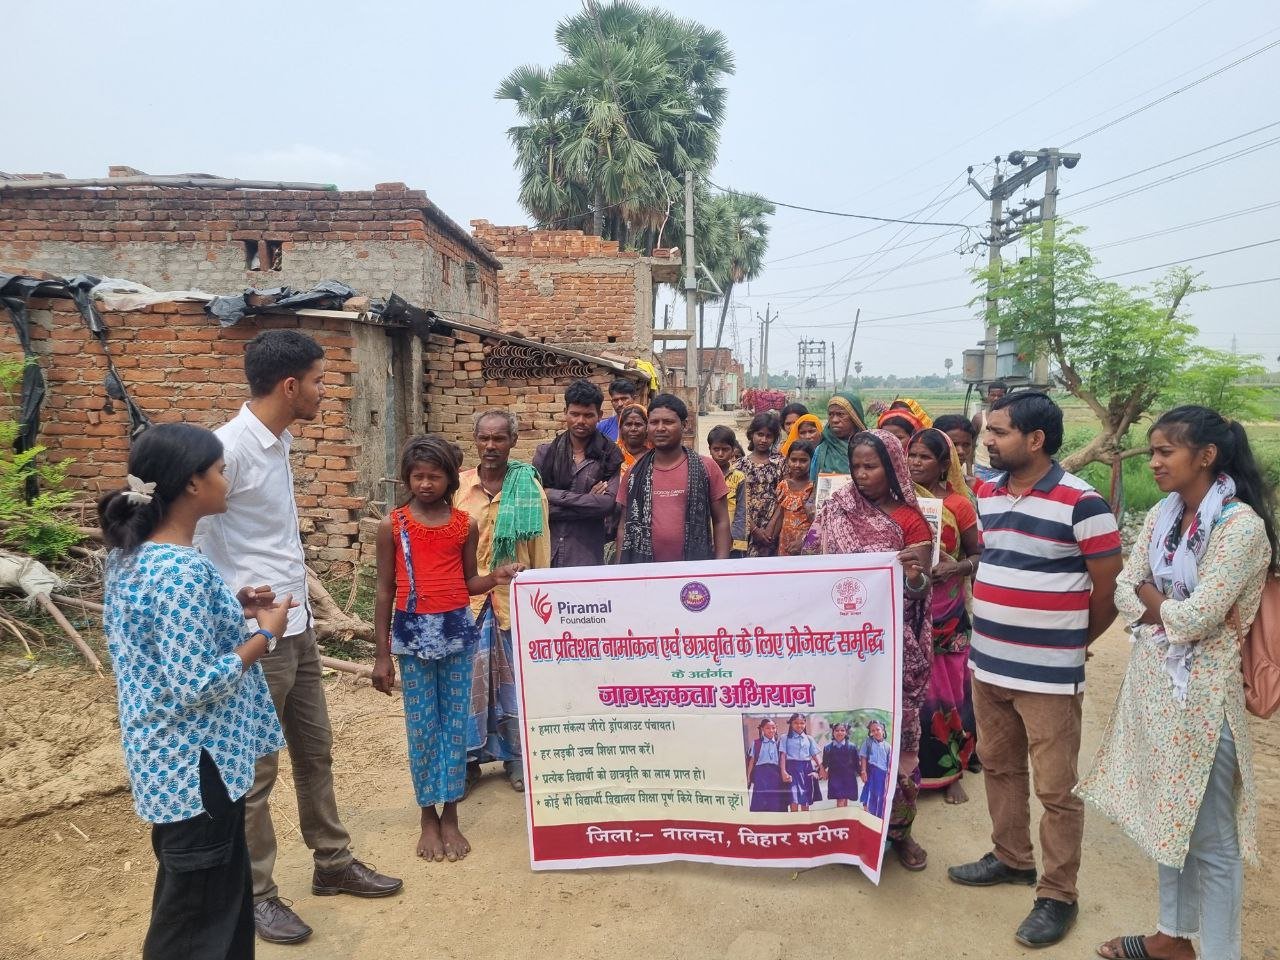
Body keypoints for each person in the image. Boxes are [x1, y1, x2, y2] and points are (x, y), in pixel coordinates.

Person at [194, 329, 401, 946]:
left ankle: (332, 862)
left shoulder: (278, 442)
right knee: (256, 772)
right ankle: (255, 895)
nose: (323, 390)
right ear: (290, 386)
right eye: (317, 380)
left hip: (298, 627)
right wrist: (233, 612)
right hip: (257, 635)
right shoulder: (225, 450)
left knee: (315, 751)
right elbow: (193, 541)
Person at [1078, 406, 1277, 960]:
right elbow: (1123, 585)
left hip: (1204, 700)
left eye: (1166, 451)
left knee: (1212, 841)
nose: (1155, 461)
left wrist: (1154, 606)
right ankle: (1171, 936)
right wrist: (1161, 607)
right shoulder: (1167, 513)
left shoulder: (1240, 528)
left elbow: (1197, 619)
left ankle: (1220, 952)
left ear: (1206, 456)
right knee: (1166, 814)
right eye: (1153, 450)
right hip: (1155, 688)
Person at [102, 423, 292, 960]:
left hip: (174, 761)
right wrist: (265, 633)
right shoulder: (178, 569)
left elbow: (167, 639)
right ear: (191, 484)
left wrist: (231, 605)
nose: (225, 479)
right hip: (196, 765)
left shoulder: (133, 555)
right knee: (193, 921)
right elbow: (195, 683)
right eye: (219, 471)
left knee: (217, 901)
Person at [948, 391, 1122, 949]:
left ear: (1035, 439)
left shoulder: (1082, 503)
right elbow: (993, 560)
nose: (987, 442)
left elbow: (1109, 590)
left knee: (1056, 789)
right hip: (988, 664)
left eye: (997, 432)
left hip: (1047, 675)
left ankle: (1057, 894)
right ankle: (1011, 857)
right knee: (998, 768)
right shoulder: (989, 493)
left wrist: (1072, 642)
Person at [371, 436, 523, 865]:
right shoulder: (393, 525)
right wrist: (382, 655)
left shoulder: (463, 525)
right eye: (417, 476)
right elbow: (385, 591)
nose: (425, 484)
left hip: (458, 635)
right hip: (413, 637)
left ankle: (451, 812)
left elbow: (467, 583)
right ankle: (427, 816)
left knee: (456, 726)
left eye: (434, 476)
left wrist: (498, 576)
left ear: (450, 479)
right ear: (406, 479)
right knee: (422, 728)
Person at [801, 429, 933, 871]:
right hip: (840, 646)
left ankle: (901, 832)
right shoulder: (837, 507)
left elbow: (920, 588)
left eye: (870, 466)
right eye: (856, 467)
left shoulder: (911, 521)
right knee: (845, 735)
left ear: (892, 467)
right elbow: (811, 555)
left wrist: (913, 577)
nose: (861, 475)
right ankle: (843, 826)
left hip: (891, 649)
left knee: (898, 739)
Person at [458, 410, 551, 792]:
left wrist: (540, 600)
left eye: (499, 439)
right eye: (485, 438)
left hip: (513, 603)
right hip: (468, 601)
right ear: (475, 440)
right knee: (469, 686)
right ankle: (469, 761)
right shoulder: (459, 487)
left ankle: (516, 759)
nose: (491, 446)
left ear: (513, 442)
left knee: (514, 685)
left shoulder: (529, 487)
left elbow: (540, 551)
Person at [907, 428, 981, 804]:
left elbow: (981, 556)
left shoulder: (959, 505)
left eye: (925, 457)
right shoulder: (898, 501)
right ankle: (910, 771)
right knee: (912, 693)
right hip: (908, 609)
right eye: (912, 455)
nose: (916, 463)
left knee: (950, 690)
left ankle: (952, 771)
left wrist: (956, 569)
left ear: (943, 465)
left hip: (947, 612)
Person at [615, 393, 731, 563]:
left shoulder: (706, 468)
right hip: (644, 572)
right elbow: (624, 525)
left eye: (668, 422)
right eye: (654, 422)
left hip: (693, 571)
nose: (660, 428)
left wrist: (719, 567)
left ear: (684, 425)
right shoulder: (634, 473)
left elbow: (721, 521)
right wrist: (621, 569)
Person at [533, 380, 623, 567]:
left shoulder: (610, 455)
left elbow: (607, 504)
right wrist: (587, 501)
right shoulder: (545, 453)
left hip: (586, 554)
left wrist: (552, 494)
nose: (580, 421)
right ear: (565, 412)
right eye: (574, 414)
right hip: (548, 554)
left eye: (588, 415)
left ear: (599, 415)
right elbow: (536, 508)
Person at [735, 412, 783, 558]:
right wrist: (754, 530)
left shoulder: (780, 463)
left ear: (774, 438)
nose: (763, 439)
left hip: (773, 527)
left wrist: (770, 528)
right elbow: (737, 501)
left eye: (768, 436)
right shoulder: (739, 466)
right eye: (760, 434)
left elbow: (784, 498)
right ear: (751, 434)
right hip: (747, 525)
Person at [766, 440, 815, 557]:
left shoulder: (813, 487)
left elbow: (817, 522)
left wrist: (804, 541)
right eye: (793, 460)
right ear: (787, 460)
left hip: (807, 542)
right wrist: (771, 538)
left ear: (812, 461)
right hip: (785, 542)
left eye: (803, 461)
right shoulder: (784, 485)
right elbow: (781, 514)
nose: (797, 465)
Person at [707, 425, 748, 556]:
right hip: (707, 537)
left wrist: (735, 538)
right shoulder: (703, 474)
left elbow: (741, 511)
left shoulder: (739, 477)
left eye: (725, 449)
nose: (720, 453)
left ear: (732, 450)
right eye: (716, 449)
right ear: (710, 450)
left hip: (731, 538)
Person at [810, 391, 867, 481]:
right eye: (830, 414)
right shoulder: (822, 450)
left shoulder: (868, 448)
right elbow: (813, 484)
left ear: (854, 417)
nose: (834, 420)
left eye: (841, 414)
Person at [781, 714, 823, 811]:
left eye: (802, 723)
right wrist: (783, 771)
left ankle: (805, 822)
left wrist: (822, 769)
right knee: (793, 797)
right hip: (791, 769)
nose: (799, 725)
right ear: (791, 724)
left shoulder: (809, 738)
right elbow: (782, 755)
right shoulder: (785, 737)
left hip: (806, 769)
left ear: (805, 724)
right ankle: (795, 822)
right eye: (796, 723)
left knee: (805, 797)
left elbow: (815, 755)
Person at [745, 718, 787, 813]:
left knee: (775, 800)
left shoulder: (779, 743)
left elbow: (782, 759)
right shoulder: (756, 743)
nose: (771, 730)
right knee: (760, 800)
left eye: (773, 728)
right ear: (762, 729)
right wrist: (748, 777)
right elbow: (751, 762)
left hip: (775, 774)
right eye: (768, 728)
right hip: (760, 774)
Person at [971, 381, 1008, 482]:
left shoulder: (1011, 419)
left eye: (1000, 395)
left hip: (1003, 469)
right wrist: (970, 472)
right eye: (993, 395)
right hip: (982, 469)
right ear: (988, 396)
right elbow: (971, 444)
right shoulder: (979, 418)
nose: (996, 398)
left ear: (1005, 396)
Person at [932, 414, 980, 490]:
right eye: (953, 444)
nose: (961, 451)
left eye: (966, 445)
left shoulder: (978, 488)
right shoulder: (916, 487)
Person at [859, 720, 892, 820]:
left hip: (883, 774)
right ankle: (868, 816)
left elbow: (889, 763)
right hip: (871, 771)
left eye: (877, 729)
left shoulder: (888, 746)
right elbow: (863, 757)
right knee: (869, 793)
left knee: (881, 795)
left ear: (883, 730)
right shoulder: (868, 742)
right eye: (873, 730)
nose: (875, 732)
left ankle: (879, 818)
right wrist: (863, 771)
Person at [822, 723, 860, 808]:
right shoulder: (828, 748)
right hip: (835, 778)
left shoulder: (852, 747)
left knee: (845, 798)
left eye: (842, 730)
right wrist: (820, 772)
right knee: (840, 799)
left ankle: (844, 818)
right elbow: (824, 763)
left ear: (846, 732)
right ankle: (841, 819)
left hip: (848, 777)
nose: (839, 732)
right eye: (837, 730)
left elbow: (857, 763)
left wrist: (863, 774)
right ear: (833, 732)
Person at [597, 377, 637, 442]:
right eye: (615, 400)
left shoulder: (644, 426)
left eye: (624, 399)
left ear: (634, 399)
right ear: (611, 402)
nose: (620, 404)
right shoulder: (602, 427)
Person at [616, 403, 651, 476]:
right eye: (628, 424)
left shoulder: (654, 456)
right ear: (621, 428)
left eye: (638, 424)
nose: (633, 429)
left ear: (647, 427)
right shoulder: (611, 453)